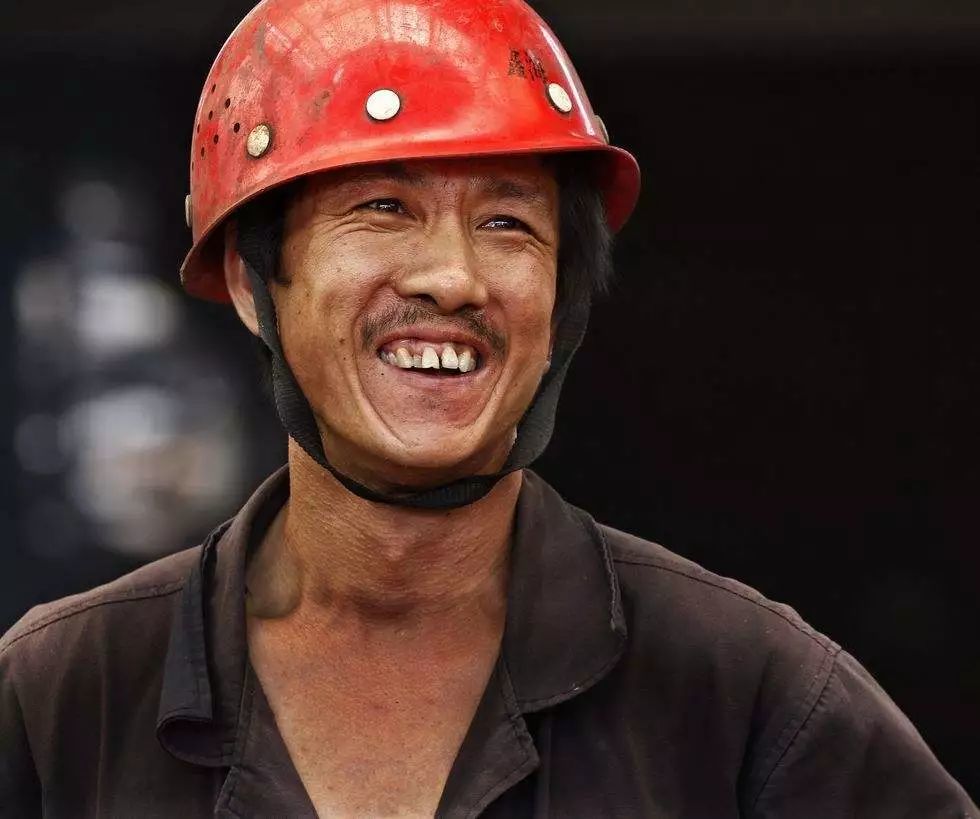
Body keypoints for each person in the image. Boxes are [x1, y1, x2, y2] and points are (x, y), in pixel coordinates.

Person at [1, 0, 976, 815]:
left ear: (560, 301)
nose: (454, 278)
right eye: (383, 207)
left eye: (506, 221)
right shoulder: (60, 700)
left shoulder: (749, 697)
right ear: (253, 283)